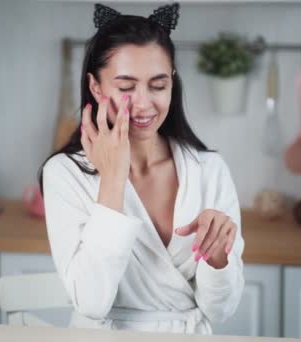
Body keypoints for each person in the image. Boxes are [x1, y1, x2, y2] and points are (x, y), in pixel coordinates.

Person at [38, 2, 244, 334]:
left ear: (172, 82)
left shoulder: (209, 170)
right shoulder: (65, 173)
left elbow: (221, 311)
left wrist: (218, 258)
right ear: (96, 87)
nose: (145, 103)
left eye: (158, 85)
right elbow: (91, 302)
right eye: (126, 87)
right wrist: (113, 181)